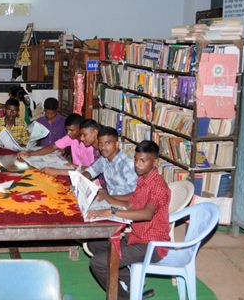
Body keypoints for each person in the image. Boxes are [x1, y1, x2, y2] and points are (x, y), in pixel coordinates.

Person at [87, 140, 170, 300]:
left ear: (156, 162)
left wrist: (111, 211)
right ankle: (131, 282)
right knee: (95, 243)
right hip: (136, 237)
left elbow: (147, 214)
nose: (137, 165)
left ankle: (122, 298)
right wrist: (107, 198)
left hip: (151, 244)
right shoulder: (143, 179)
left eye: (143, 161)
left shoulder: (158, 186)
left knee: (98, 263)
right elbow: (131, 202)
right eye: (136, 160)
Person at [19, 114, 98, 169]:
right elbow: (53, 146)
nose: (68, 133)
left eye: (71, 130)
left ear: (80, 128)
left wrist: (74, 166)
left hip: (85, 175)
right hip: (75, 171)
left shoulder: (89, 145)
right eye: (67, 130)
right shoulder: (70, 138)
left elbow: (92, 169)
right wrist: (30, 153)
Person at [81, 126, 137, 196]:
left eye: (107, 143)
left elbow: (135, 195)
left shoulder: (127, 163)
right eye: (100, 143)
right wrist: (80, 180)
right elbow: (90, 171)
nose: (103, 147)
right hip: (110, 200)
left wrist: (108, 198)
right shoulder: (104, 159)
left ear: (117, 144)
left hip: (124, 204)